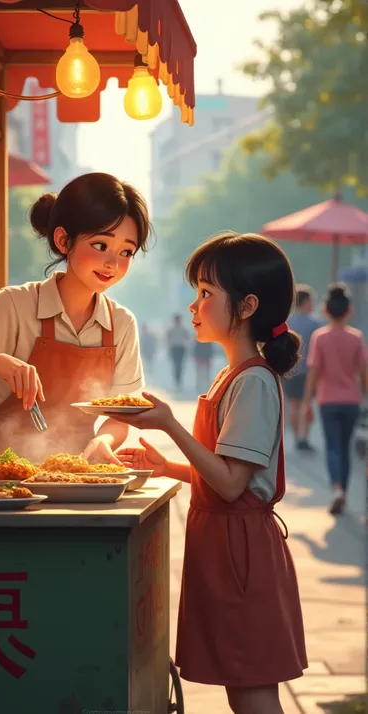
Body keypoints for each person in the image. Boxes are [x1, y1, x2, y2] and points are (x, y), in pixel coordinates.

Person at [114, 232, 307, 714]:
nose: (195, 305)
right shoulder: (232, 375)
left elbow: (230, 483)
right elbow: (224, 473)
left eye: (206, 293)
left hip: (240, 553)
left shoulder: (254, 381)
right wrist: (168, 465)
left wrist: (169, 424)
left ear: (246, 306)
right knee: (240, 687)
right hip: (224, 542)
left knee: (252, 692)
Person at [0, 172, 151, 463]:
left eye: (126, 252)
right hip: (0, 472)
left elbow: (122, 414)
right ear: (63, 240)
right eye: (100, 246)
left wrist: (102, 441)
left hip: (77, 470)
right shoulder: (14, 305)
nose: (112, 263)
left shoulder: (121, 323)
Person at [303, 283, 367, 515]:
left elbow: (314, 373)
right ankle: (344, 492)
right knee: (346, 447)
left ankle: (337, 489)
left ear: (326, 311)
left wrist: (306, 403)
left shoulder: (320, 337)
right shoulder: (357, 337)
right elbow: (363, 371)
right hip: (351, 401)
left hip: (327, 400)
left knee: (333, 447)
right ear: (349, 311)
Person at [285, 285, 321, 451]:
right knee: (306, 405)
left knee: (294, 405)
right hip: (309, 371)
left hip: (290, 370)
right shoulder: (316, 324)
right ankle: (303, 438)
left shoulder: (288, 322)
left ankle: (295, 436)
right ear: (306, 302)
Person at [166, 313, 191, 390]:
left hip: (181, 348)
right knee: (175, 365)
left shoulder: (183, 329)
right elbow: (168, 340)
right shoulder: (171, 329)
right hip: (174, 348)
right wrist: (168, 350)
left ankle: (179, 380)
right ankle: (177, 381)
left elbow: (187, 337)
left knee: (180, 365)